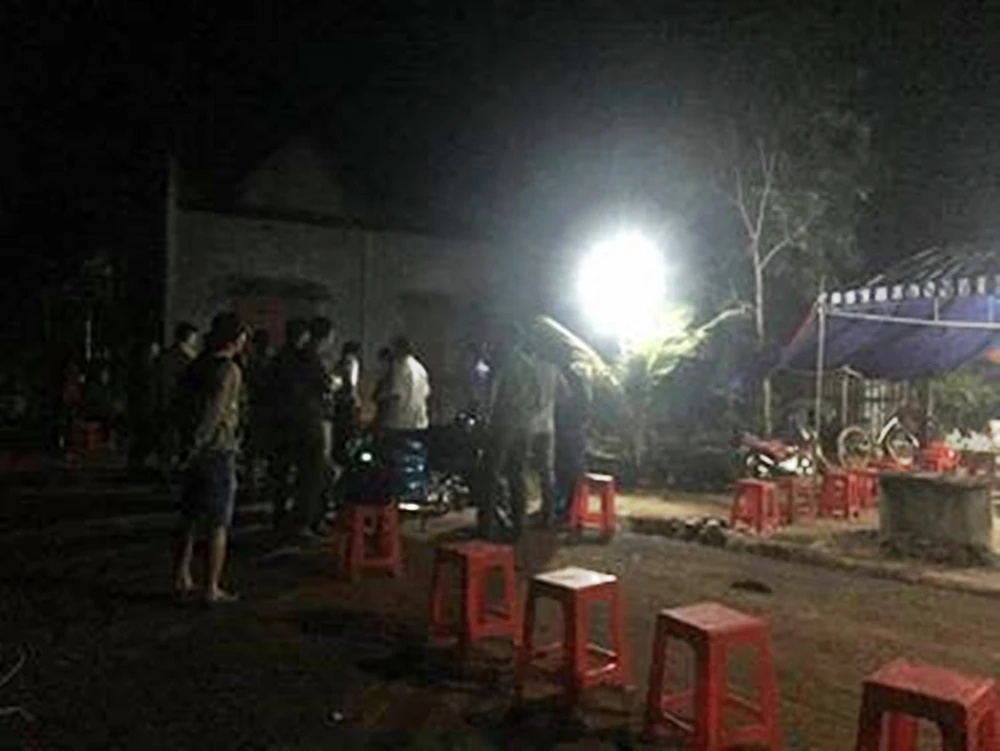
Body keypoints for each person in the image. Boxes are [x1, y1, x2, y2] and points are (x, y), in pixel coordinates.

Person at [172, 312, 247, 604]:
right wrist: (198, 443)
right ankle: (211, 586)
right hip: (216, 450)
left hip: (191, 449)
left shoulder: (196, 365)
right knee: (217, 522)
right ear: (234, 339)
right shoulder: (229, 371)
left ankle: (182, 575)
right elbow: (214, 413)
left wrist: (184, 446)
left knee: (189, 518)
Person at [477, 328, 542, 541]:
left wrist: (484, 420)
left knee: (490, 473)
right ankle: (519, 525)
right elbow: (538, 400)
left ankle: (486, 526)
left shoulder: (502, 363)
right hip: (525, 427)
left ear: (506, 340)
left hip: (502, 424)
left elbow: (492, 395)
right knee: (518, 474)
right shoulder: (530, 366)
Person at [553, 363, 592, 523]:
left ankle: (564, 509)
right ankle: (569, 508)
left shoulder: (562, 380)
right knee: (571, 472)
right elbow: (586, 412)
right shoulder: (580, 384)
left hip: (566, 433)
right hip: (575, 433)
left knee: (562, 471)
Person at [157, 322, 199, 466]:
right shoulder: (188, 357)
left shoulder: (166, 356)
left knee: (169, 438)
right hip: (183, 401)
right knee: (182, 438)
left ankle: (167, 465)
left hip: (167, 399)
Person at [530, 358, 560, 526]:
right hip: (547, 426)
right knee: (546, 471)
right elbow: (566, 394)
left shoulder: (529, 367)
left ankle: (516, 510)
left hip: (527, 425)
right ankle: (549, 513)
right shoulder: (553, 368)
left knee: (517, 469)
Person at [382, 336, 430, 433]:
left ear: (399, 349)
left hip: (401, 422)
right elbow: (426, 393)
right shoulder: (421, 369)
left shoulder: (399, 367)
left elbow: (395, 393)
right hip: (420, 421)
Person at [332, 341, 362, 465]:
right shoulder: (351, 362)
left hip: (340, 401)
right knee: (347, 432)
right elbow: (350, 383)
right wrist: (355, 398)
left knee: (341, 433)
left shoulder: (340, 363)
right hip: (347, 402)